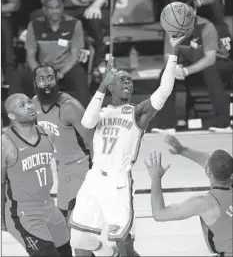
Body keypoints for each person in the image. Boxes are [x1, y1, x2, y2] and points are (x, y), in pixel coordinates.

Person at [68, 29, 192, 256]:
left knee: (124, 243)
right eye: (121, 79)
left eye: (129, 80)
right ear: (111, 87)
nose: (127, 82)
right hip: (94, 178)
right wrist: (100, 88)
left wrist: (173, 53)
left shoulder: (137, 112)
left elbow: (164, 90)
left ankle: (115, 252)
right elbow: (86, 122)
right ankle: (107, 253)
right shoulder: (102, 111)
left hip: (118, 182)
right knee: (78, 239)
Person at [32, 65, 93, 256]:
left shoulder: (69, 106)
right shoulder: (33, 105)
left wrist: (96, 174)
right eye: (42, 79)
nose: (46, 83)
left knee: (74, 226)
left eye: (50, 77)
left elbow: (92, 140)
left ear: (57, 79)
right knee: (63, 229)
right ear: (35, 82)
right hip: (62, 169)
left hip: (81, 167)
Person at [1, 93, 72, 257]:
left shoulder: (47, 133)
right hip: (24, 214)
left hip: (50, 208)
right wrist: (1, 219)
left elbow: (61, 165)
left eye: (28, 102)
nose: (29, 106)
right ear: (11, 116)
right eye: (22, 105)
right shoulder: (5, 143)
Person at [144, 134, 233, 257]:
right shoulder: (227, 175)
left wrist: (155, 178)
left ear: (208, 171)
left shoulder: (206, 204)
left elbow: (159, 214)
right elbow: (209, 162)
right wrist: (182, 150)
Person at [164, 0, 233, 132]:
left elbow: (210, 59)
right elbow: (167, 56)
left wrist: (185, 71)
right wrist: (175, 69)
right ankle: (166, 124)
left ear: (194, 12)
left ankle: (223, 123)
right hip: (192, 65)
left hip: (220, 63)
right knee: (165, 74)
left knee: (210, 70)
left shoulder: (206, 26)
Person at [11, 0, 89, 107]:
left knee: (79, 74)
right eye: (51, 8)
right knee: (18, 74)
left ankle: (84, 117)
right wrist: (39, 73)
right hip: (42, 68)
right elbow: (30, 56)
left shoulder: (75, 24)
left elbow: (74, 56)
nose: (55, 11)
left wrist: (61, 73)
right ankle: (13, 113)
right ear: (44, 9)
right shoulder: (34, 25)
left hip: (65, 69)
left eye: (57, 7)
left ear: (62, 8)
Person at [62, 0, 109, 73]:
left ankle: (97, 62)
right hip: (70, 8)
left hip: (92, 6)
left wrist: (95, 6)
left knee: (94, 22)